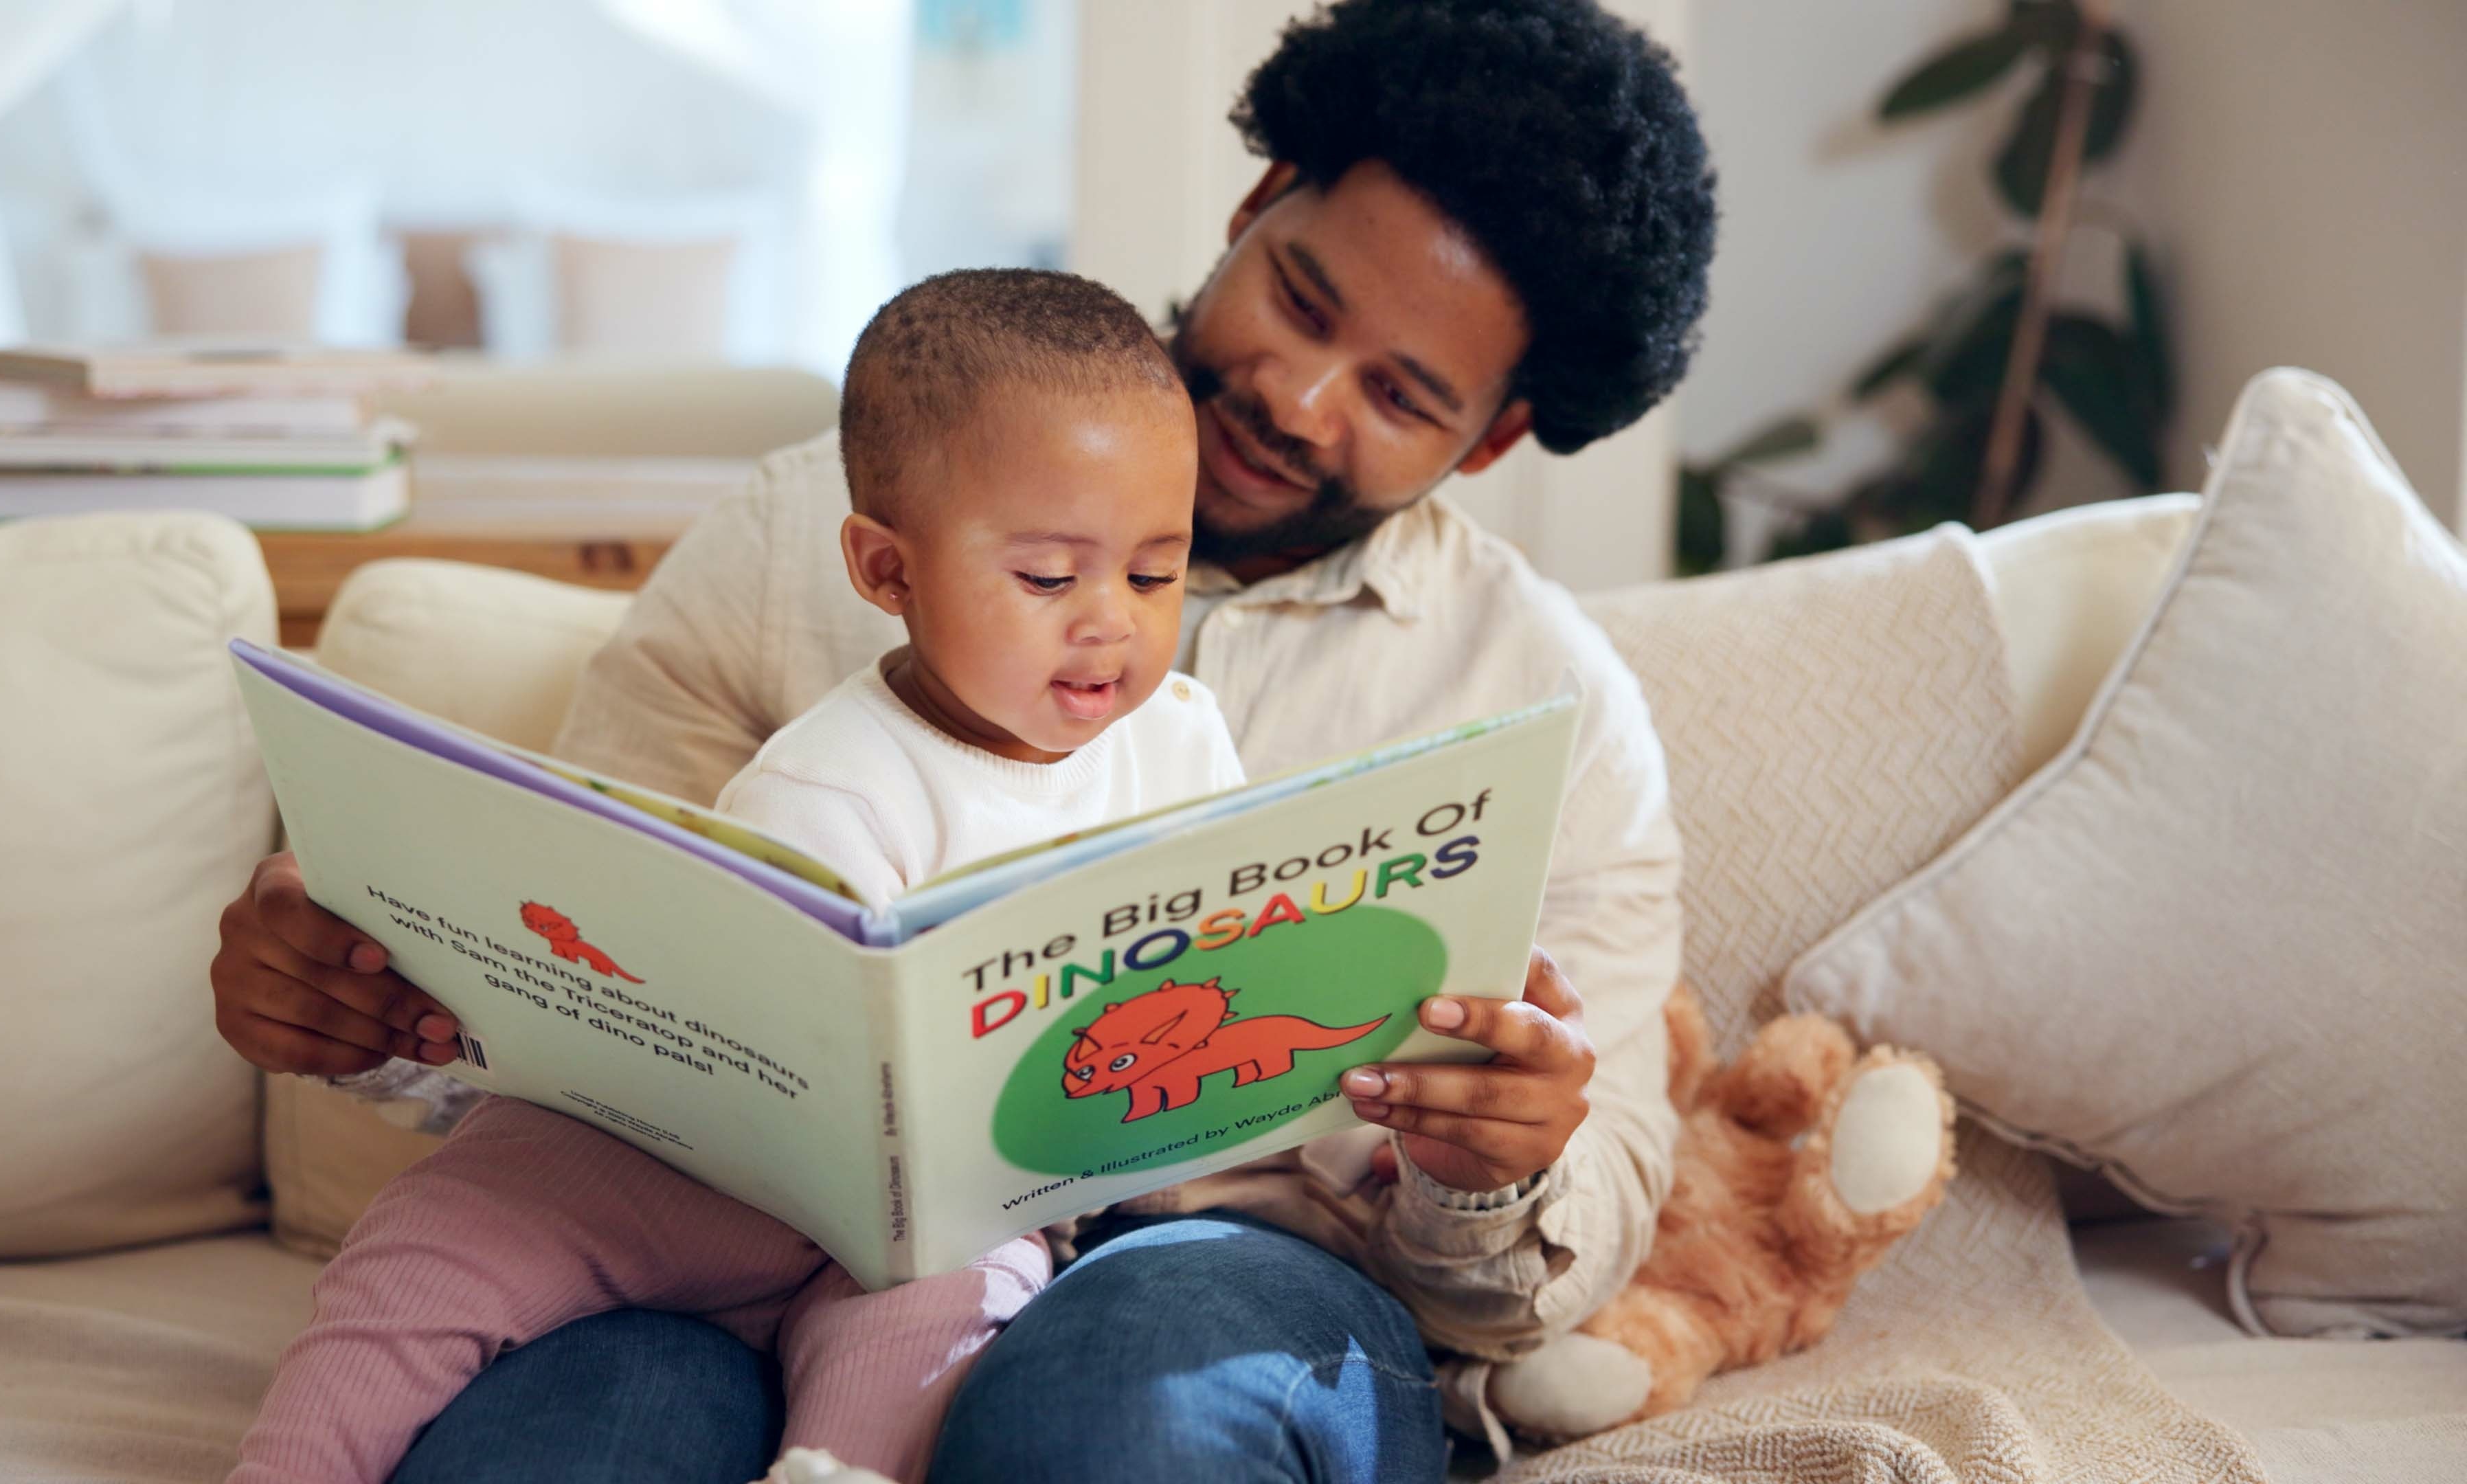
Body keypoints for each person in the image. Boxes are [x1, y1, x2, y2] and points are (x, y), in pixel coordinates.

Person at [209, 1, 1717, 1477]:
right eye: (1303, 303)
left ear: (1495, 436)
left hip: (1223, 1267)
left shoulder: (1549, 711)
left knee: (1122, 1409)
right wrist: (371, 1000)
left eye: (1398, 394)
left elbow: (1544, 1270)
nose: (1296, 398)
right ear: (1257, 204)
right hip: (750, 1239)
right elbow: (596, 992)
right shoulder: (817, 521)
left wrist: (1489, 1164)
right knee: (589, 1426)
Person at [230, 270, 1242, 1484]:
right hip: (699, 1180)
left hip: (942, 1222)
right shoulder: (825, 782)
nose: (1111, 625)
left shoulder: (1185, 746)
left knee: (948, 1326)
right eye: (1046, 578)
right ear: (886, 571)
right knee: (437, 1242)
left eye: (1154, 573)